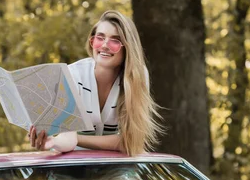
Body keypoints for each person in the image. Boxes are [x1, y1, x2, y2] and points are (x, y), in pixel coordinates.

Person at [28, 10, 162, 155]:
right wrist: (53, 142)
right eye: (100, 38)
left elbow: (132, 142)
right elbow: (66, 138)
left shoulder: (137, 76)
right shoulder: (72, 76)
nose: (104, 45)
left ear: (128, 47)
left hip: (117, 170)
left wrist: (77, 139)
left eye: (115, 41)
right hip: (72, 169)